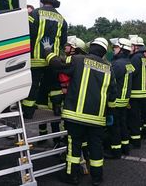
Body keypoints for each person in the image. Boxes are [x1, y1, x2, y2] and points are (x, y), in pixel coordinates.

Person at [45, 37, 117, 186]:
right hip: (97, 119)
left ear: (91, 48)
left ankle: (72, 176)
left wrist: (48, 51)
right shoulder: (109, 67)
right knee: (96, 148)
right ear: (103, 52)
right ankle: (97, 178)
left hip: (75, 116)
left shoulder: (78, 60)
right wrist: (109, 111)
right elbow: (113, 95)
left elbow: (58, 65)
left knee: (74, 146)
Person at [22, 0, 67, 119]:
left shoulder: (35, 13)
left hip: (36, 59)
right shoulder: (61, 19)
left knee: (33, 85)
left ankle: (28, 112)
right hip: (53, 60)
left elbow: (28, 34)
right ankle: (57, 108)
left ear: (44, 2)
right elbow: (63, 41)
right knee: (54, 85)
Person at [104, 38, 134, 159]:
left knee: (114, 127)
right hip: (124, 101)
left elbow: (109, 81)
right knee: (123, 125)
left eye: (115, 47)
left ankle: (115, 151)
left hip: (116, 101)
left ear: (122, 49)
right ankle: (125, 148)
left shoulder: (117, 64)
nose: (114, 49)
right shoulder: (128, 63)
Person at [128, 36, 146, 148]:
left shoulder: (135, 58)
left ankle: (135, 141)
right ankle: (145, 134)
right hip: (144, 93)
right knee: (142, 116)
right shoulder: (145, 58)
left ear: (136, 47)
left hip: (135, 93)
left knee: (134, 118)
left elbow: (130, 73)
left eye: (131, 46)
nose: (130, 48)